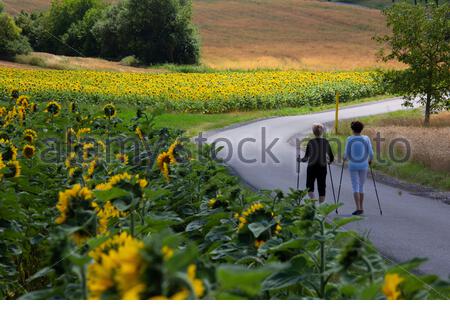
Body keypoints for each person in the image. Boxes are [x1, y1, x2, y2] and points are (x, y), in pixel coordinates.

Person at [344, 121, 374, 215]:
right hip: (364, 164)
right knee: (361, 186)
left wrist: (344, 159)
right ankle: (362, 207)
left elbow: (346, 154)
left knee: (355, 186)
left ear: (352, 129)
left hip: (353, 165)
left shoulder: (350, 139)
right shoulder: (366, 138)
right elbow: (371, 153)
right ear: (361, 129)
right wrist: (370, 160)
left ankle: (358, 208)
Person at [301, 123, 334, 203]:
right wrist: (329, 162)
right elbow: (331, 157)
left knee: (309, 187)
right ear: (322, 132)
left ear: (313, 132)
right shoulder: (325, 142)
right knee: (322, 187)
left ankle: (313, 204)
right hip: (322, 167)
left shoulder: (310, 142)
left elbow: (306, 158)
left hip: (311, 167)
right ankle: (320, 207)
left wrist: (300, 160)